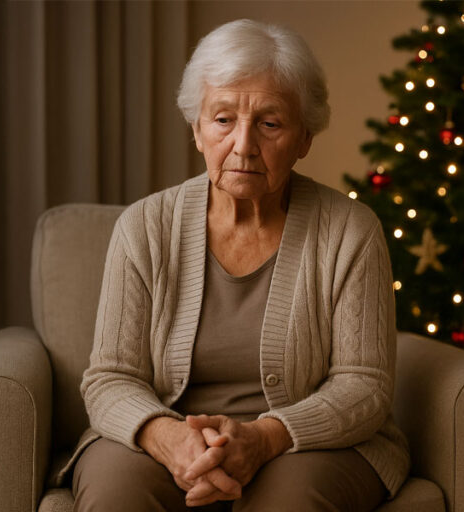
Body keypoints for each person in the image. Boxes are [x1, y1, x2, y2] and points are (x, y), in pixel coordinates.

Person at [65, 18, 409, 512]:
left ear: (304, 138)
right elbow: (110, 378)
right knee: (115, 494)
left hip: (306, 444)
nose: (243, 145)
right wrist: (169, 439)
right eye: (223, 119)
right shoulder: (144, 227)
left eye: (270, 124)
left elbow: (364, 385)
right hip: (165, 437)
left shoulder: (350, 231)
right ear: (197, 130)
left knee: (291, 502)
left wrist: (265, 438)